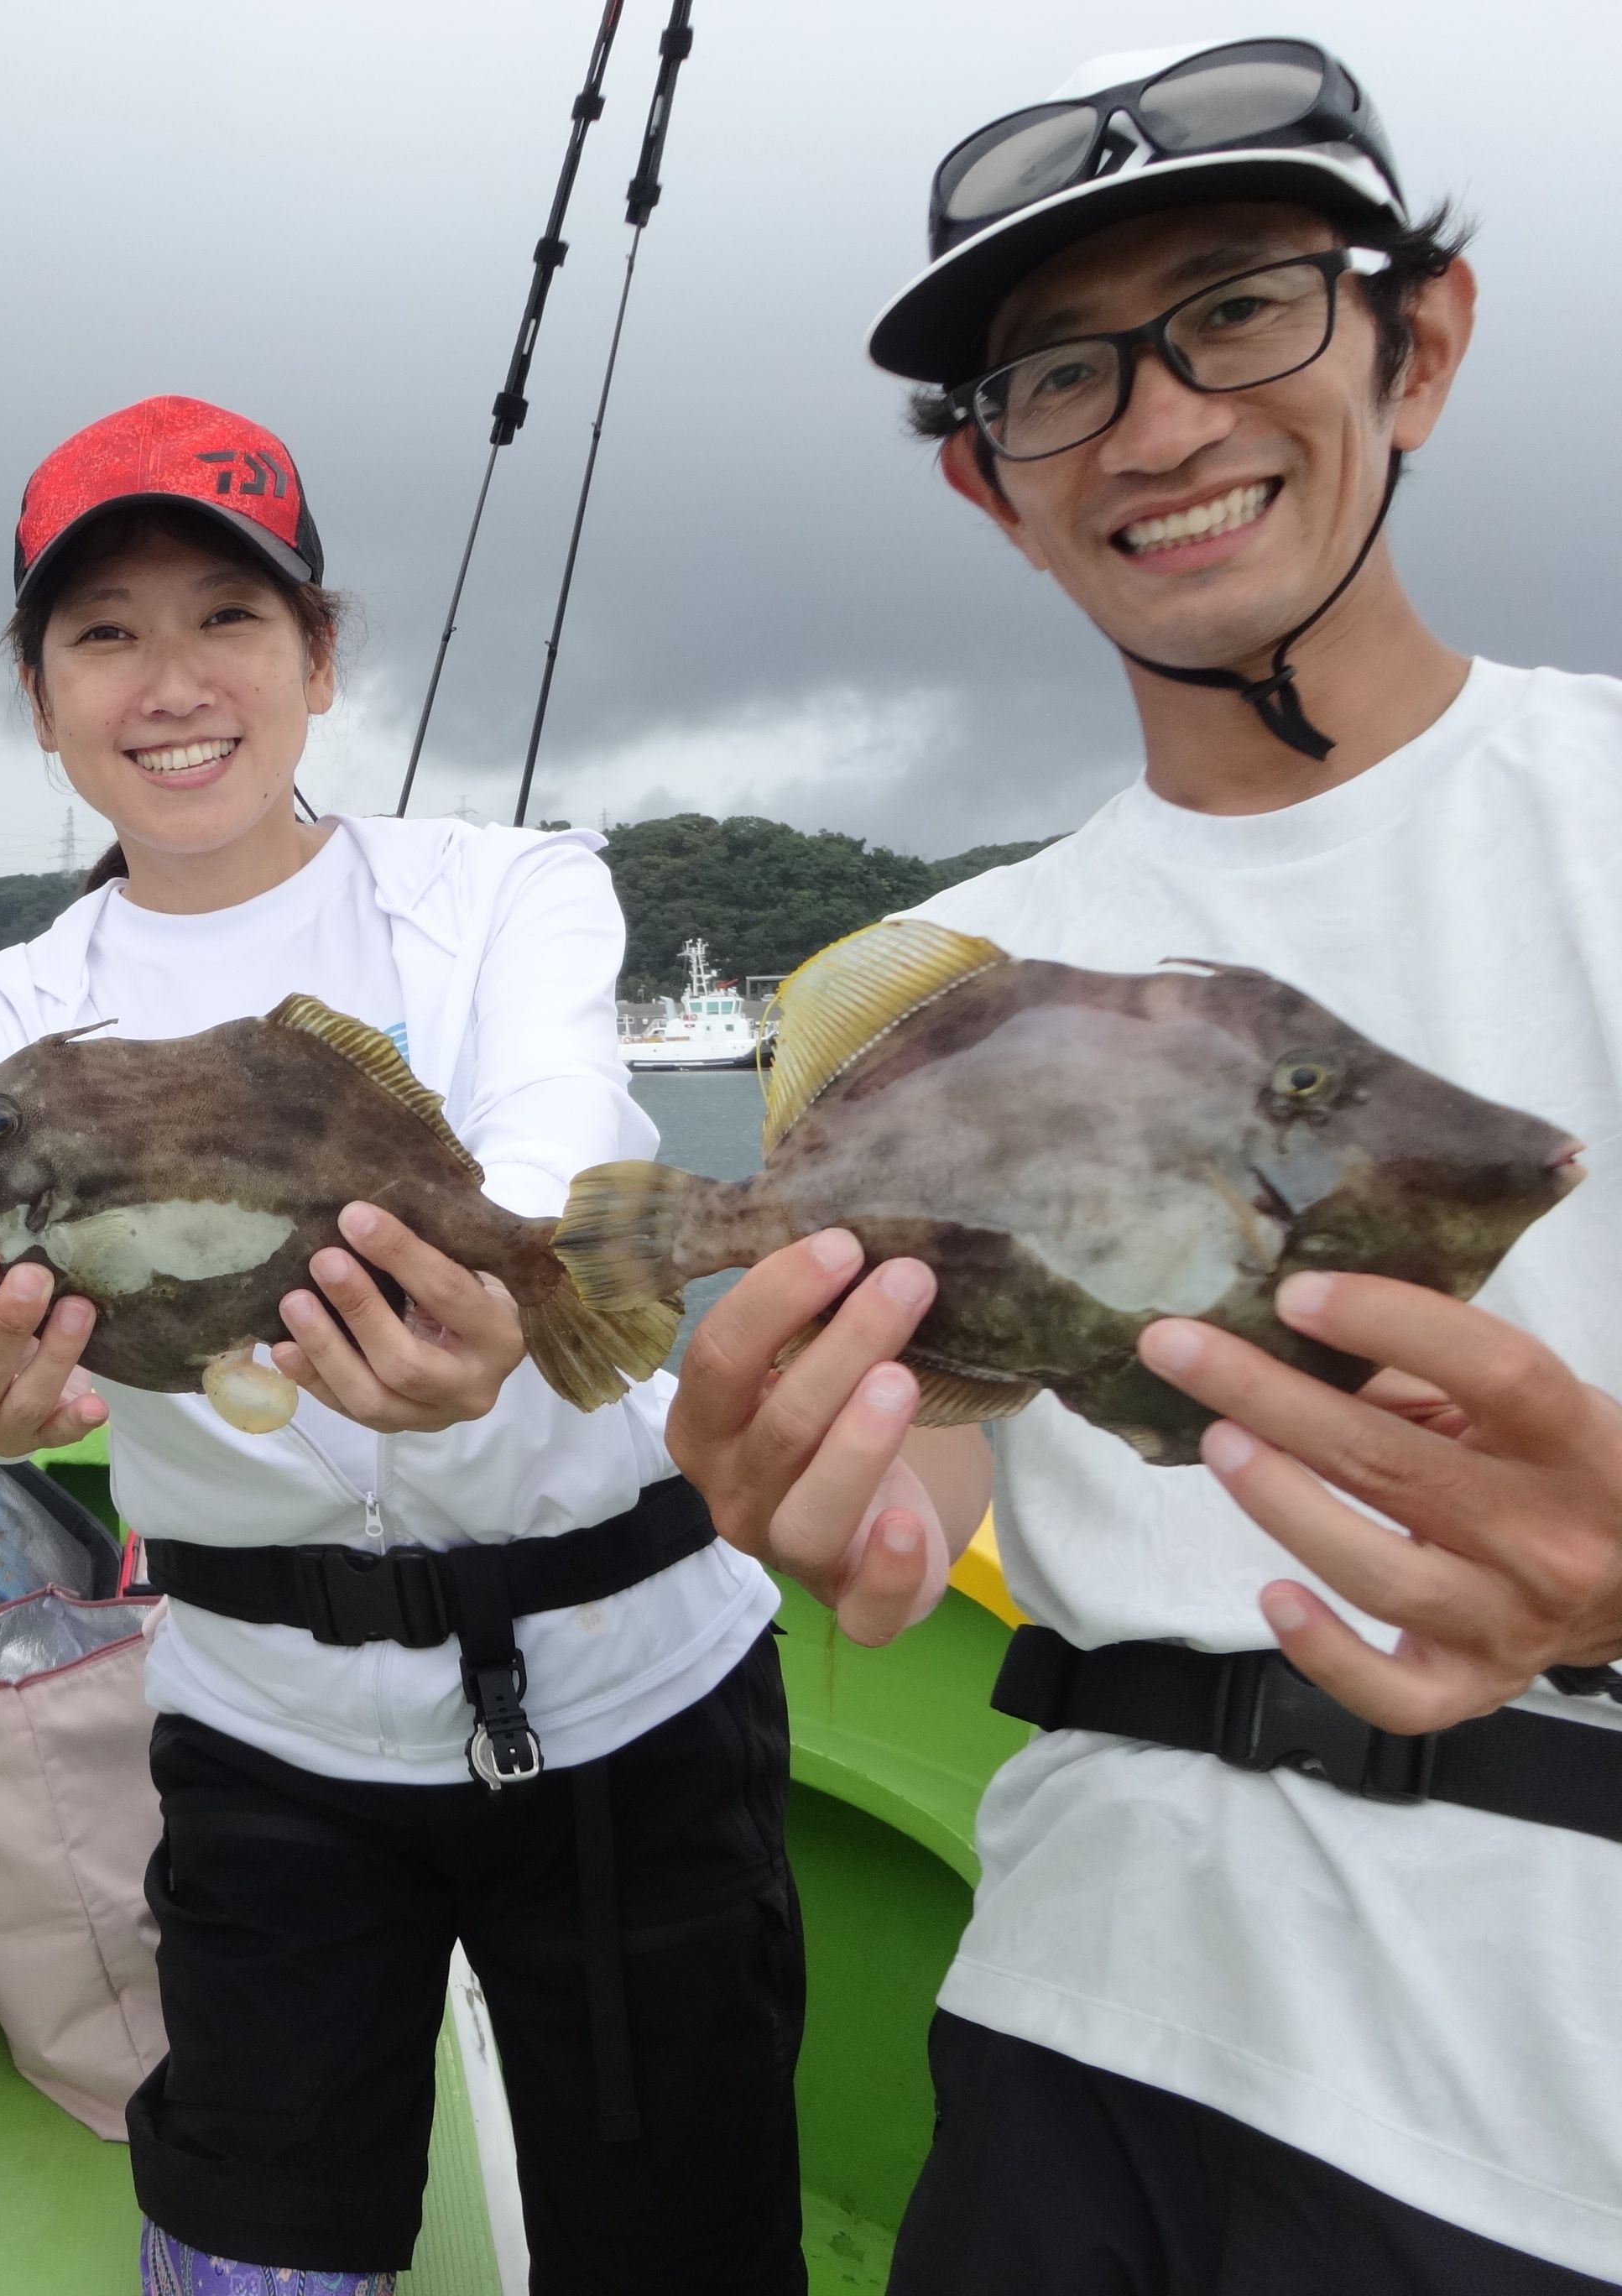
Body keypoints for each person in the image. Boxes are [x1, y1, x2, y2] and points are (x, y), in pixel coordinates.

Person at [668, 39, 1622, 2292]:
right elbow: (945, 1437)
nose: (1164, 421)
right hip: (1076, 2008)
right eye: (1063, 376)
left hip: (1546, 2101)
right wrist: (860, 1507)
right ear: (992, 487)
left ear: (1421, 343)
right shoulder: (970, 969)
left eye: (1241, 309)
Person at [0, 396, 806, 2295]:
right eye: (104, 633)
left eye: (229, 616)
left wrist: (493, 1304)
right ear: (40, 697)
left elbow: (554, 1136)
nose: (171, 683)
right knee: (254, 2256)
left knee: (680, 2250)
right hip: (267, 1739)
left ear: (317, 655)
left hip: (633, 1699)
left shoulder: (513, 888)